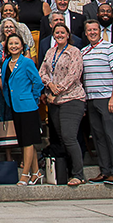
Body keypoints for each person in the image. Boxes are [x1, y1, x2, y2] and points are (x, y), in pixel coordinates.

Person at [38, 22, 87, 187]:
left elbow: (74, 74)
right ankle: (66, 171)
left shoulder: (74, 52)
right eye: (56, 32)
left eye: (62, 32)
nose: (59, 35)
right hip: (54, 100)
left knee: (69, 137)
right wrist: (49, 85)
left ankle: (79, 174)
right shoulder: (50, 52)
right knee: (61, 138)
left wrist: (57, 89)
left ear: (68, 35)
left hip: (72, 99)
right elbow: (42, 72)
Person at [81, 19, 113, 186]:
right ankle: (105, 170)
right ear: (85, 33)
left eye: (95, 30)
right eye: (89, 30)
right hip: (91, 99)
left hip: (107, 98)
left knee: (111, 135)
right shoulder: (84, 51)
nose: (92, 32)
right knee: (98, 137)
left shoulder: (110, 48)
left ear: (100, 31)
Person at [0, 29, 42, 183]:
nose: (14, 46)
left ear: (22, 46)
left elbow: (38, 82)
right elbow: (4, 84)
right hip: (14, 106)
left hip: (28, 106)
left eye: (17, 43)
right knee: (24, 140)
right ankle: (36, 172)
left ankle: (25, 174)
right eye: (11, 43)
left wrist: (33, 98)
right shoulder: (5, 63)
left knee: (28, 141)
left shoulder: (27, 62)